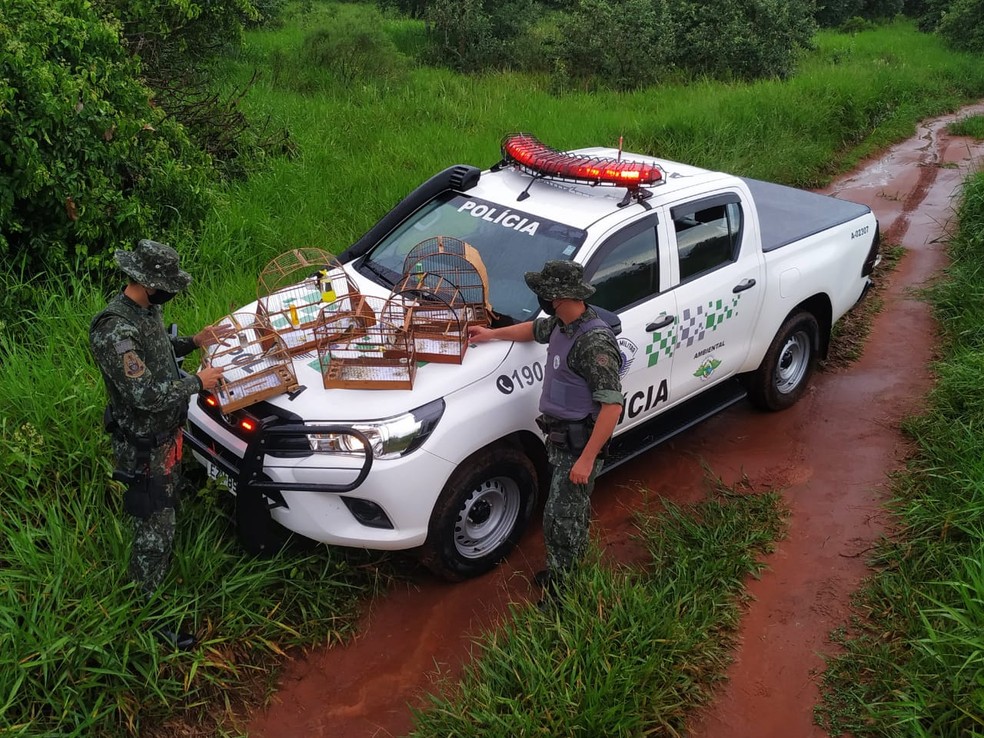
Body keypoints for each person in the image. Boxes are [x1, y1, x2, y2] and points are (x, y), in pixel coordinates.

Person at [89, 239, 229, 650]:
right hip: (145, 446)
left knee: (165, 507)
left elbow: (160, 353)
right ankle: (145, 615)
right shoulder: (115, 329)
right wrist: (196, 383)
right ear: (147, 282)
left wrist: (193, 341)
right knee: (154, 531)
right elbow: (144, 393)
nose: (169, 292)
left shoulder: (147, 310)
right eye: (166, 285)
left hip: (166, 437)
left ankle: (157, 558)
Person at [468, 260, 623, 608]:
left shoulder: (593, 343)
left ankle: (564, 592)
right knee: (567, 511)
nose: (541, 298)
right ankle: (563, 570)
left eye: (544, 292)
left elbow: (612, 407)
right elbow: (532, 331)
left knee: (560, 517)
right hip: (559, 439)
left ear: (557, 296)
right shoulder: (561, 324)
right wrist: (491, 334)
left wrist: (585, 460)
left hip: (578, 446)